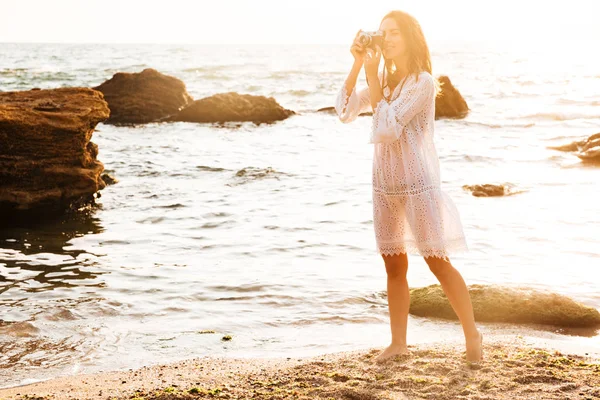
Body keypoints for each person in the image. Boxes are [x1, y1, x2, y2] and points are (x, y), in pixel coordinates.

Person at [334, 10, 483, 363]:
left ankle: (473, 335)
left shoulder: (423, 83)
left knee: (437, 263)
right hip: (384, 185)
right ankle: (399, 342)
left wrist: (372, 77)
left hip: (418, 184)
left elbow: (386, 126)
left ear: (410, 38)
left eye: (394, 32)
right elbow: (344, 111)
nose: (386, 38)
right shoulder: (384, 82)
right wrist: (357, 65)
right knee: (394, 267)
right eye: (382, 32)